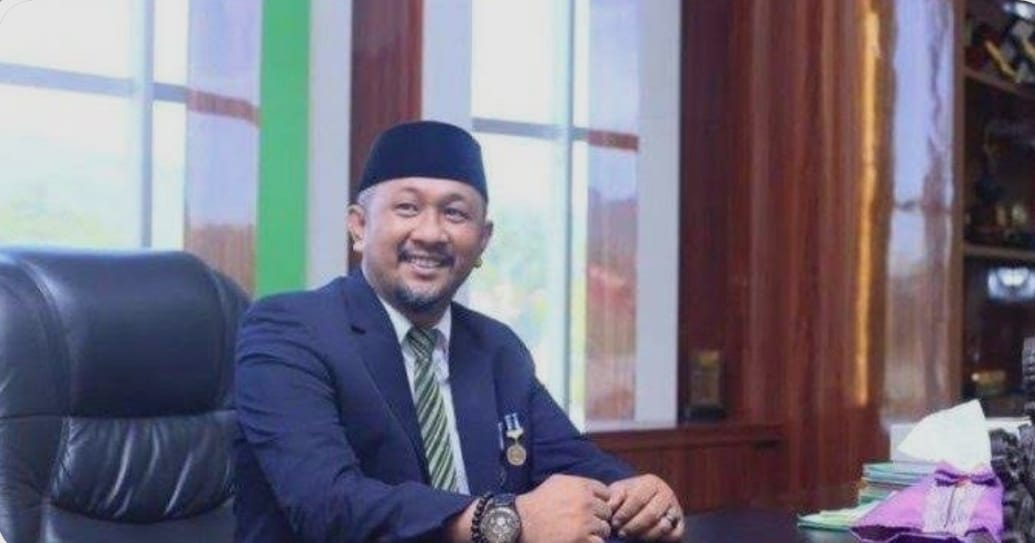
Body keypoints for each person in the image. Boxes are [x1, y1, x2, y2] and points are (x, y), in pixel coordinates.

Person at [234, 120, 685, 543]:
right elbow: (326, 504)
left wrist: (637, 494)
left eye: (455, 213)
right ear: (359, 226)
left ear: (483, 240)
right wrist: (506, 521)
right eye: (407, 208)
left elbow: (574, 460)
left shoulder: (497, 348)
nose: (431, 233)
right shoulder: (288, 331)